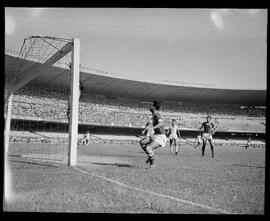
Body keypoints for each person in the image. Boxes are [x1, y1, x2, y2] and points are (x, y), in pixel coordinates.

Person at [139, 101, 167, 168]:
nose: (149, 106)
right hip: (155, 135)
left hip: (160, 136)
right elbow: (150, 123)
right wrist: (145, 129)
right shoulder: (153, 115)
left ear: (154, 107)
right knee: (142, 142)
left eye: (151, 105)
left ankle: (152, 164)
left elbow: (162, 123)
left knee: (148, 148)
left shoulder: (157, 114)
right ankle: (150, 155)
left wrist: (152, 127)